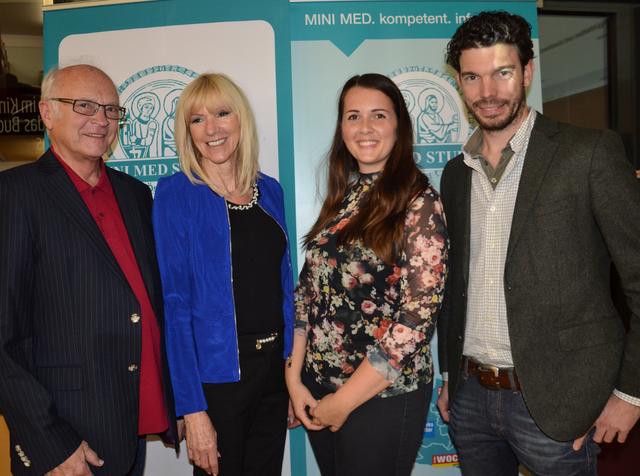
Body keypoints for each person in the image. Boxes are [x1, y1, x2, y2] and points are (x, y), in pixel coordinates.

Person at [436, 11, 640, 475]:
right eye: (472, 77)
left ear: (527, 71)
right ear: (460, 83)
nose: (487, 92)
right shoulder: (454, 174)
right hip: (470, 399)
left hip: (559, 402)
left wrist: (631, 394)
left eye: (502, 73)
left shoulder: (587, 153)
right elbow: (456, 286)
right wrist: (451, 375)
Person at [0, 64, 176, 475]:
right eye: (84, 106)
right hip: (66, 436)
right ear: (47, 113)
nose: (100, 120)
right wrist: (49, 441)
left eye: (111, 110)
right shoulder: (14, 195)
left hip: (128, 422)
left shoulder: (134, 194)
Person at [286, 73, 448, 476]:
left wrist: (345, 401)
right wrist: (294, 378)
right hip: (318, 386)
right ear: (341, 128)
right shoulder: (344, 196)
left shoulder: (419, 202)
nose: (365, 128)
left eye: (379, 115)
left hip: (381, 396)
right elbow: (308, 292)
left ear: (399, 126)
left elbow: (416, 317)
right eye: (353, 116)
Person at [152, 73, 295, 476]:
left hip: (273, 373)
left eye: (221, 113)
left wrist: (290, 372)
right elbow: (175, 308)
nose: (211, 129)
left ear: (241, 120)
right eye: (197, 119)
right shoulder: (175, 194)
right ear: (187, 131)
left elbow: (285, 287)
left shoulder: (270, 191)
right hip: (217, 381)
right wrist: (193, 409)